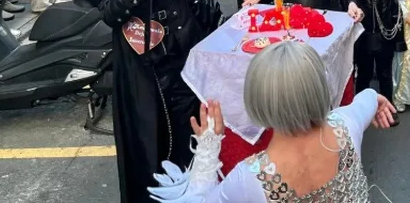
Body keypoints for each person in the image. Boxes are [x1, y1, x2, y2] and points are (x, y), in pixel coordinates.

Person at [80, 0, 221, 203]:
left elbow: (205, 7)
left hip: (186, 74)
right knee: (146, 158)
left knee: (191, 153)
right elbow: (109, 15)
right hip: (139, 80)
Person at [148, 42, 396, 202]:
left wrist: (208, 147)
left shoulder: (251, 179)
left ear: (258, 101)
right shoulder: (346, 124)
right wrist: (377, 100)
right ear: (320, 87)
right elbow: (366, 99)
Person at [342, 0, 405, 127]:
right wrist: (351, 4)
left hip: (385, 39)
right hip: (363, 42)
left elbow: (396, 14)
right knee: (364, 76)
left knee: (385, 74)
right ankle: (361, 111)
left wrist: (399, 41)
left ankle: (388, 108)